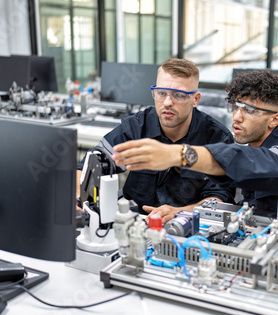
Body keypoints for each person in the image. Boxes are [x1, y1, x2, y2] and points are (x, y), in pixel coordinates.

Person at [110, 69, 278, 220]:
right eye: (236, 107)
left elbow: (259, 163)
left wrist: (178, 154)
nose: (237, 117)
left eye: (250, 110)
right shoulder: (251, 147)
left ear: (275, 119)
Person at [77, 58, 235, 222]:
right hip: (133, 221)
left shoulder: (217, 138)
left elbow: (220, 198)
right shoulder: (138, 126)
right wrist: (78, 199)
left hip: (185, 226)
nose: (167, 102)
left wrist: (180, 212)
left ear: (195, 99)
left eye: (179, 95)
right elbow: (93, 161)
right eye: (161, 93)